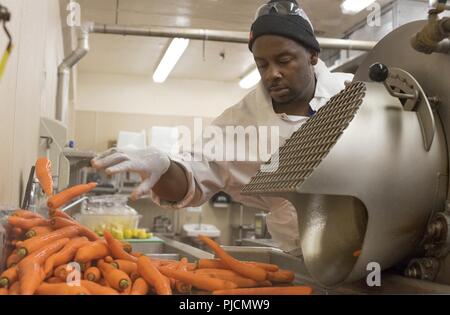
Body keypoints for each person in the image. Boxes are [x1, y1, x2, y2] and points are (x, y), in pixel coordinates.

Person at [91, 0, 354, 256]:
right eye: (262, 64)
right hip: (304, 254)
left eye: (284, 60)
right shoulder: (239, 123)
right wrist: (164, 167)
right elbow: (191, 177)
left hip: (380, 239)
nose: (272, 73)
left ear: (312, 54)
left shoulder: (355, 93)